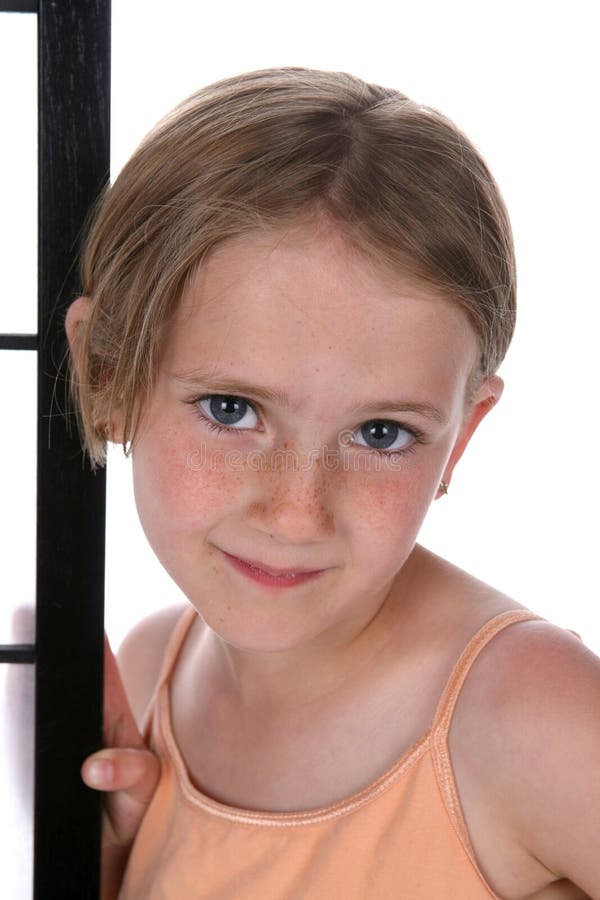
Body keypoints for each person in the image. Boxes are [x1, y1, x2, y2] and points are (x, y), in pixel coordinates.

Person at [65, 68, 599, 899]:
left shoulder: (531, 717)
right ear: (107, 371)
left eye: (381, 433)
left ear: (461, 436)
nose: (295, 511)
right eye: (231, 408)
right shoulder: (148, 677)